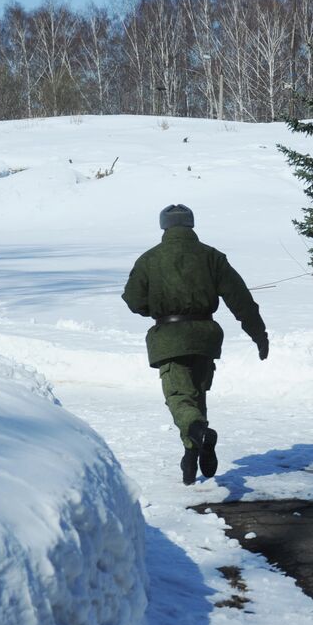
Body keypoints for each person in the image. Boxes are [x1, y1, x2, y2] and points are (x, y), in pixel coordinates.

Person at [123, 204, 269, 485]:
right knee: (197, 397)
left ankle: (199, 437)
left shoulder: (149, 260)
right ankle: (191, 458)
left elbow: (133, 300)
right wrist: (259, 335)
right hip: (205, 336)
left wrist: (155, 306)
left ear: (164, 226)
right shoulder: (212, 257)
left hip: (168, 337)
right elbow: (241, 300)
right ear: (191, 225)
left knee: (179, 398)